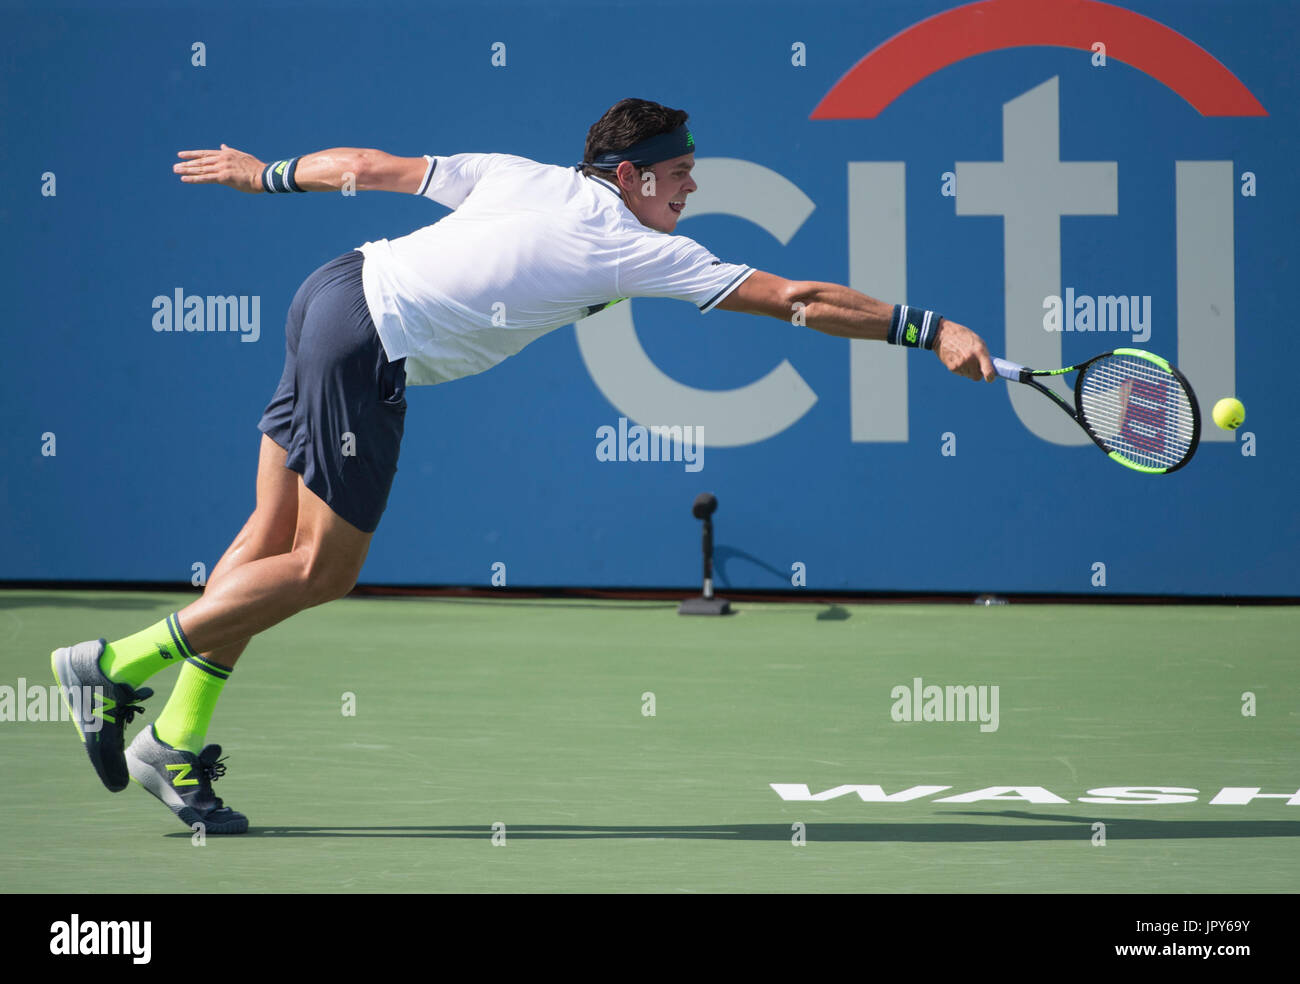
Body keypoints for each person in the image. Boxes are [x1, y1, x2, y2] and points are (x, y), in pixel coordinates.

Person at [51, 98, 995, 834]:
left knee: (266, 538)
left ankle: (172, 741)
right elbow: (797, 298)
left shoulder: (518, 174)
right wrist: (929, 327)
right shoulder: (626, 242)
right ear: (629, 175)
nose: (690, 192)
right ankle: (116, 662)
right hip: (369, 343)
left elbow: (374, 169)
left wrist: (271, 177)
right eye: (680, 176)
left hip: (330, 290)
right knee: (322, 568)